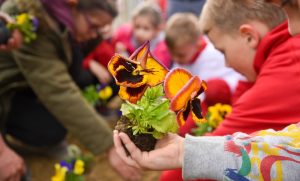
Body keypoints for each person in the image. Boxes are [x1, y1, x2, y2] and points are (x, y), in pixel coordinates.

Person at [114, 0, 300, 180]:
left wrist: (180, 158)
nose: (225, 63)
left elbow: (229, 152)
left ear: (249, 36)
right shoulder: (280, 59)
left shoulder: (282, 73)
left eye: (223, 51)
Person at [0, 0, 140, 180]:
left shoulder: (57, 18)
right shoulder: (28, 19)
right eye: (94, 26)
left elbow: (70, 68)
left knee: (54, 128)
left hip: (20, 89)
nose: (94, 34)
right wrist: (109, 145)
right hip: (6, 95)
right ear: (73, 5)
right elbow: (58, 91)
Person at [164, 12, 245, 106]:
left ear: (198, 45)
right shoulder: (184, 55)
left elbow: (203, 92)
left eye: (180, 55)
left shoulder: (211, 56)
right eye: (171, 54)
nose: (175, 59)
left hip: (225, 95)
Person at [112, 2, 171, 67]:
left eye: (146, 28)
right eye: (137, 26)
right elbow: (113, 43)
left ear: (157, 30)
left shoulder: (162, 48)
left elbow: (159, 69)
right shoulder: (124, 34)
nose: (140, 33)